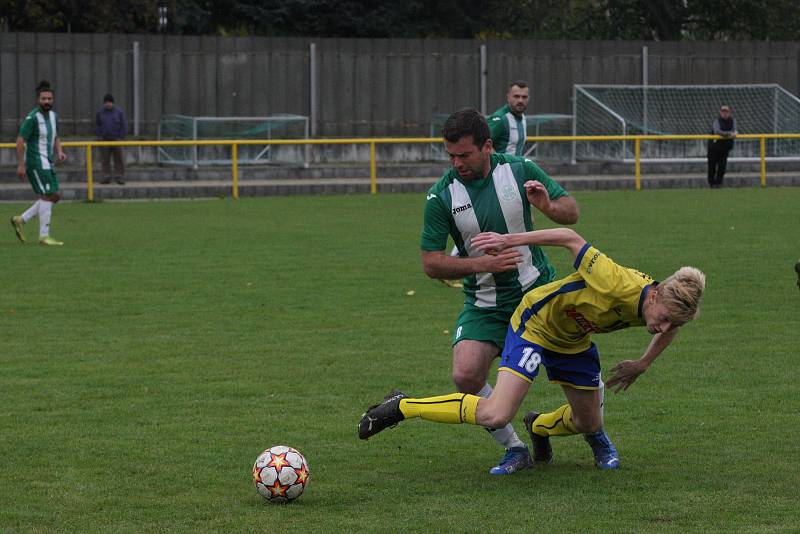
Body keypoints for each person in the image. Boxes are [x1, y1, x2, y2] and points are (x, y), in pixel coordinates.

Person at [359, 227, 706, 471]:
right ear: (656, 294)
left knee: (588, 421)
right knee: (496, 413)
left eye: (671, 324)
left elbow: (671, 326)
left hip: (573, 340)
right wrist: (511, 240)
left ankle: (538, 426)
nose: (662, 327)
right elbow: (570, 237)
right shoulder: (616, 282)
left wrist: (644, 363)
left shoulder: (669, 311)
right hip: (536, 324)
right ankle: (403, 406)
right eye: (661, 319)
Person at [418, 108, 585, 475]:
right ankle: (514, 447)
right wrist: (481, 265)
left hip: (536, 294)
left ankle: (595, 433)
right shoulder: (442, 195)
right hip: (484, 303)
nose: (456, 163)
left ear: (487, 147)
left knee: (574, 365)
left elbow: (571, 213)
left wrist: (547, 206)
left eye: (464, 154)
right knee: (465, 375)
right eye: (451, 155)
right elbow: (430, 263)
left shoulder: (520, 169)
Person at [10, 80, 67, 246]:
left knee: (54, 196)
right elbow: (20, 140)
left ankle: (21, 219)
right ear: (38, 100)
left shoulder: (54, 116)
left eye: (49, 98)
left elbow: (56, 136)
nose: (47, 101)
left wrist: (60, 151)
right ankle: (44, 236)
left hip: (47, 162)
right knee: (48, 195)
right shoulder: (32, 117)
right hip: (36, 162)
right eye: (44, 99)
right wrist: (21, 164)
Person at [488, 81, 529, 156]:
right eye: (516, 96)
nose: (520, 100)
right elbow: (482, 143)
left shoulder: (522, 117)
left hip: (516, 167)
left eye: (524, 97)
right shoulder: (500, 118)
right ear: (508, 97)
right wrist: (500, 164)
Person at [95, 93, 127, 185]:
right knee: (105, 159)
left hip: (117, 139)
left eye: (110, 102)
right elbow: (97, 125)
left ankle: (120, 177)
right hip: (105, 140)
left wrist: (121, 137)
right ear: (104, 103)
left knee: (119, 159)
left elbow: (124, 125)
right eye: (106, 102)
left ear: (113, 103)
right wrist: (100, 135)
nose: (108, 104)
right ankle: (106, 177)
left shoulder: (119, 112)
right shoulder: (100, 112)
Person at [707, 105, 737, 188]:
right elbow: (717, 131)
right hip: (714, 147)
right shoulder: (717, 121)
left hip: (725, 147)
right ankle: (712, 183)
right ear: (720, 113)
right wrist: (729, 134)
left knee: (722, 166)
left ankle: (719, 183)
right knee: (712, 166)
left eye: (726, 112)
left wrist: (732, 134)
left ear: (729, 113)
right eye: (723, 112)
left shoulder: (733, 121)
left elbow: (734, 131)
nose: (724, 113)